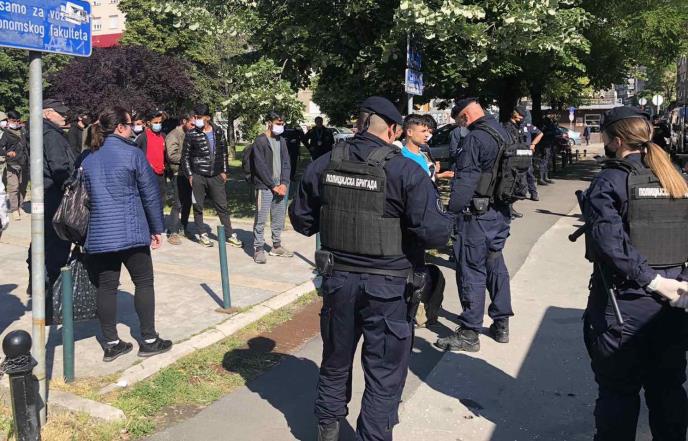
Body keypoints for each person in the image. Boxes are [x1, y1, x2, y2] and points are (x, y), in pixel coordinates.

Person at [289, 96, 453, 441]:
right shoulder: (406, 170)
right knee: (384, 373)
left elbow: (302, 221)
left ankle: (327, 429)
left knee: (335, 360)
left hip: (338, 283)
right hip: (389, 289)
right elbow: (436, 232)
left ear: (360, 122)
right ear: (392, 129)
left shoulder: (324, 164)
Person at [580, 106, 688, 441]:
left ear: (615, 141)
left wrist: (653, 281)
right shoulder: (675, 175)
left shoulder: (610, 180)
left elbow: (610, 244)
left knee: (618, 391)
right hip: (675, 301)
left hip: (624, 302)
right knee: (668, 387)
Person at [82, 107, 172, 362]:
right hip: (132, 231)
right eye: (130, 124)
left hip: (101, 234)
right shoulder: (133, 154)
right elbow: (150, 194)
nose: (134, 128)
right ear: (120, 127)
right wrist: (157, 229)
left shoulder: (88, 158)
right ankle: (149, 340)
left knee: (106, 287)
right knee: (143, 282)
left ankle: (111, 343)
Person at [435, 98, 514, 352]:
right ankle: (501, 324)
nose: (461, 126)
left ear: (465, 116)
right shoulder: (505, 132)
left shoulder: (475, 139)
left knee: (471, 270)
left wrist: (450, 213)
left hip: (476, 216)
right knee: (495, 266)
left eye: (460, 121)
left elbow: (465, 181)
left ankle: (469, 332)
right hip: (500, 213)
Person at [26, 99, 76, 308]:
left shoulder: (39, 132)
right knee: (56, 243)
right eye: (60, 112)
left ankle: (39, 286)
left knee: (43, 242)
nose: (64, 116)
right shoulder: (51, 135)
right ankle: (51, 295)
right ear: (47, 113)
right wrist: (71, 186)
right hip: (55, 195)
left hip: (45, 194)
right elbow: (59, 167)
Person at [181, 104, 242, 248]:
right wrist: (190, 175)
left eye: (199, 117)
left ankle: (229, 235)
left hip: (216, 175)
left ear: (207, 118)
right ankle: (202, 234)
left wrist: (224, 171)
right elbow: (185, 157)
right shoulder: (191, 134)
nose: (196, 120)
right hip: (198, 176)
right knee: (198, 206)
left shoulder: (218, 131)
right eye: (195, 117)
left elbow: (224, 152)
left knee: (222, 206)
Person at [249, 112, 292, 264]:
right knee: (261, 218)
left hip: (280, 185)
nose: (281, 126)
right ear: (269, 123)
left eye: (282, 124)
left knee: (278, 217)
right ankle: (258, 248)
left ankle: (276, 245)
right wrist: (273, 186)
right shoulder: (260, 141)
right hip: (265, 186)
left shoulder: (282, 141)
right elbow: (259, 166)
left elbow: (286, 162)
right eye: (278, 123)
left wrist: (284, 183)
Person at [165, 112, 194, 244]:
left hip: (189, 174)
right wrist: (188, 159)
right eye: (191, 123)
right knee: (177, 203)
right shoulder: (174, 135)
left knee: (187, 202)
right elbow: (172, 155)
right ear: (184, 121)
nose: (194, 126)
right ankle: (173, 232)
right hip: (178, 173)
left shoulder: (191, 133)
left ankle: (183, 227)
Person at [504, 106, 543, 202]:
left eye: (523, 117)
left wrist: (533, 144)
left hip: (526, 155)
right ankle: (517, 193)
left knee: (529, 173)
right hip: (514, 155)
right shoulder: (508, 126)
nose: (522, 118)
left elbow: (540, 133)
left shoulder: (526, 126)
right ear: (515, 115)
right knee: (515, 174)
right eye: (520, 116)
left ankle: (533, 193)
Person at [0, 110, 28, 221]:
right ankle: (14, 209)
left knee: (23, 186)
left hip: (24, 163)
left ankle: (20, 206)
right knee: (13, 187)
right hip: (12, 164)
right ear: (9, 120)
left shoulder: (24, 131)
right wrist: (7, 153)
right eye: (14, 121)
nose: (16, 123)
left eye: (18, 121)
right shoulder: (6, 133)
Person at [136, 110, 168, 206]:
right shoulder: (142, 137)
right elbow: (135, 154)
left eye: (160, 122)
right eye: (155, 122)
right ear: (149, 123)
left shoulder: (163, 136)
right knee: (149, 202)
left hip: (161, 174)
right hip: (148, 175)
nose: (158, 125)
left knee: (161, 201)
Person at [538, 114, 560, 185]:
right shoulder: (544, 125)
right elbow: (542, 134)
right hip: (545, 145)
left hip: (551, 145)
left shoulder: (552, 124)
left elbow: (556, 132)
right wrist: (551, 133)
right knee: (544, 161)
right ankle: (541, 178)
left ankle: (546, 177)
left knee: (548, 162)